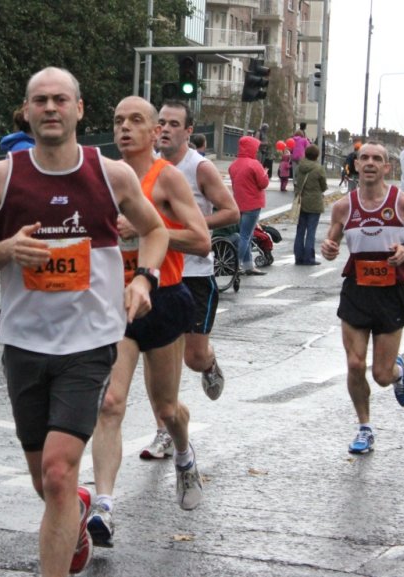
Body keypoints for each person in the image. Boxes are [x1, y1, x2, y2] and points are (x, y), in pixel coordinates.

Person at [0, 67, 169, 577]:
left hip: (90, 343)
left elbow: (156, 230)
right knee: (46, 481)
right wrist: (7, 250)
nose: (50, 108)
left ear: (79, 109)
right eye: (40, 101)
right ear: (27, 111)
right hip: (25, 345)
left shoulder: (110, 173)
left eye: (60, 100)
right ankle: (73, 517)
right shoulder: (3, 175)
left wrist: (143, 280)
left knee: (57, 472)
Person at [86, 95, 211, 549]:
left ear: (156, 131)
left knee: (167, 410)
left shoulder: (168, 179)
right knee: (110, 403)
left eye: (135, 120)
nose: (124, 128)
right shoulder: (104, 178)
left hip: (162, 299)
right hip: (114, 304)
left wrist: (145, 229)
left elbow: (201, 241)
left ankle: (182, 452)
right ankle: (103, 506)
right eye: (118, 120)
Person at [132, 100, 239, 460]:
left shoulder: (199, 168)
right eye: (160, 122)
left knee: (193, 358)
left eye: (174, 123)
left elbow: (231, 211)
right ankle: (164, 428)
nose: (165, 129)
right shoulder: (141, 169)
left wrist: (186, 224)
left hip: (193, 274)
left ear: (189, 131)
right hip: (156, 274)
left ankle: (209, 364)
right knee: (155, 357)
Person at [320, 141, 404, 454]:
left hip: (390, 293)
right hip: (356, 291)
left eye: (377, 159)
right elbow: (330, 246)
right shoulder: (343, 207)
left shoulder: (403, 202)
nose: (370, 163)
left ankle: (397, 372)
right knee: (355, 364)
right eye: (364, 158)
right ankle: (364, 427)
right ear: (356, 165)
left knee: (381, 375)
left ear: (387, 167)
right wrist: (328, 249)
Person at [228, 135, 270, 276]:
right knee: (246, 236)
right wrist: (265, 174)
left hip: (238, 203)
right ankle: (237, 264)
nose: (257, 151)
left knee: (246, 235)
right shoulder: (254, 164)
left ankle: (248, 265)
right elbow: (263, 183)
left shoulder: (234, 164)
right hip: (253, 204)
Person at [293, 144, 327, 265]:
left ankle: (298, 257)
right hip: (314, 203)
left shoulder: (299, 167)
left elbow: (295, 182)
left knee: (300, 230)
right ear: (316, 156)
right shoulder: (319, 169)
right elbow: (324, 186)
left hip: (301, 202)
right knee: (311, 231)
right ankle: (309, 258)